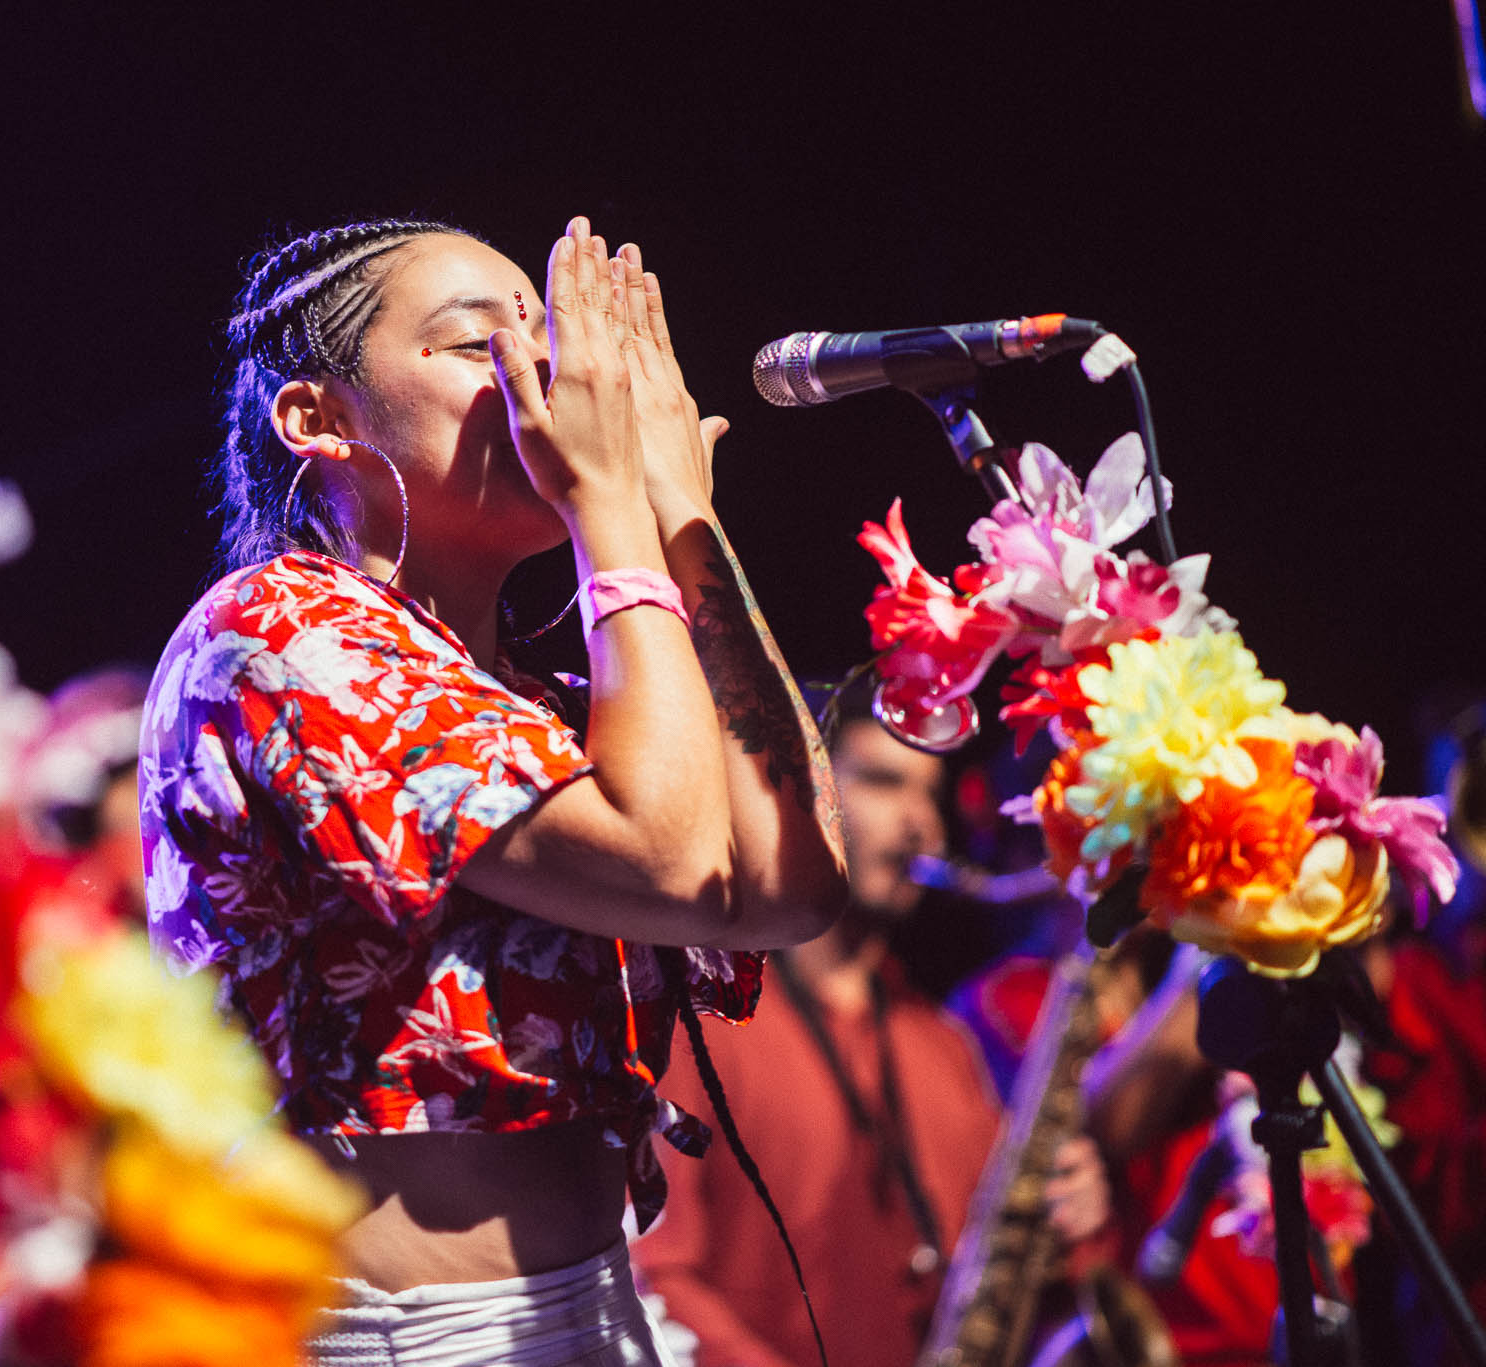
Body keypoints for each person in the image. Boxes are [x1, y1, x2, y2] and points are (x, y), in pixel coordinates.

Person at [137, 216, 849, 1365]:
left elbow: (784, 885)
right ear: (318, 419)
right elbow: (667, 859)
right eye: (480, 346)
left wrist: (681, 514)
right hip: (398, 1338)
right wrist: (612, 512)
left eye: (549, 339)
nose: (549, 379)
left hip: (596, 1308)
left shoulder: (538, 695)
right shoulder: (278, 632)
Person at [632, 713, 1110, 1367]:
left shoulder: (943, 1046)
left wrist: (1067, 1220)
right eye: (885, 783)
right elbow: (653, 1280)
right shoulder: (696, 1026)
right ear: (793, 799)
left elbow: (998, 1271)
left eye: (930, 794)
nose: (921, 822)